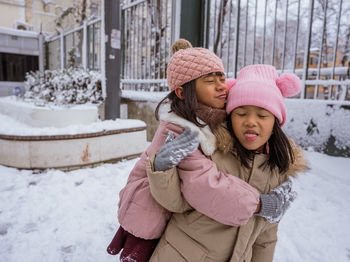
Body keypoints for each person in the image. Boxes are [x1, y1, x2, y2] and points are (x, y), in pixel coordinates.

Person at [106, 39, 301, 262]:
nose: (222, 86)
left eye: (222, 78)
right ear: (182, 92)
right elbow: (199, 188)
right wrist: (262, 204)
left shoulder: (214, 126)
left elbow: (264, 237)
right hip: (154, 213)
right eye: (210, 81)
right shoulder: (181, 129)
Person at [146, 64, 306, 261]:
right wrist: (163, 169)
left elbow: (265, 238)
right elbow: (177, 202)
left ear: (275, 122)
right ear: (230, 117)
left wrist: (269, 210)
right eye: (241, 113)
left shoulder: (278, 168)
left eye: (263, 115)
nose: (251, 121)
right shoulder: (212, 149)